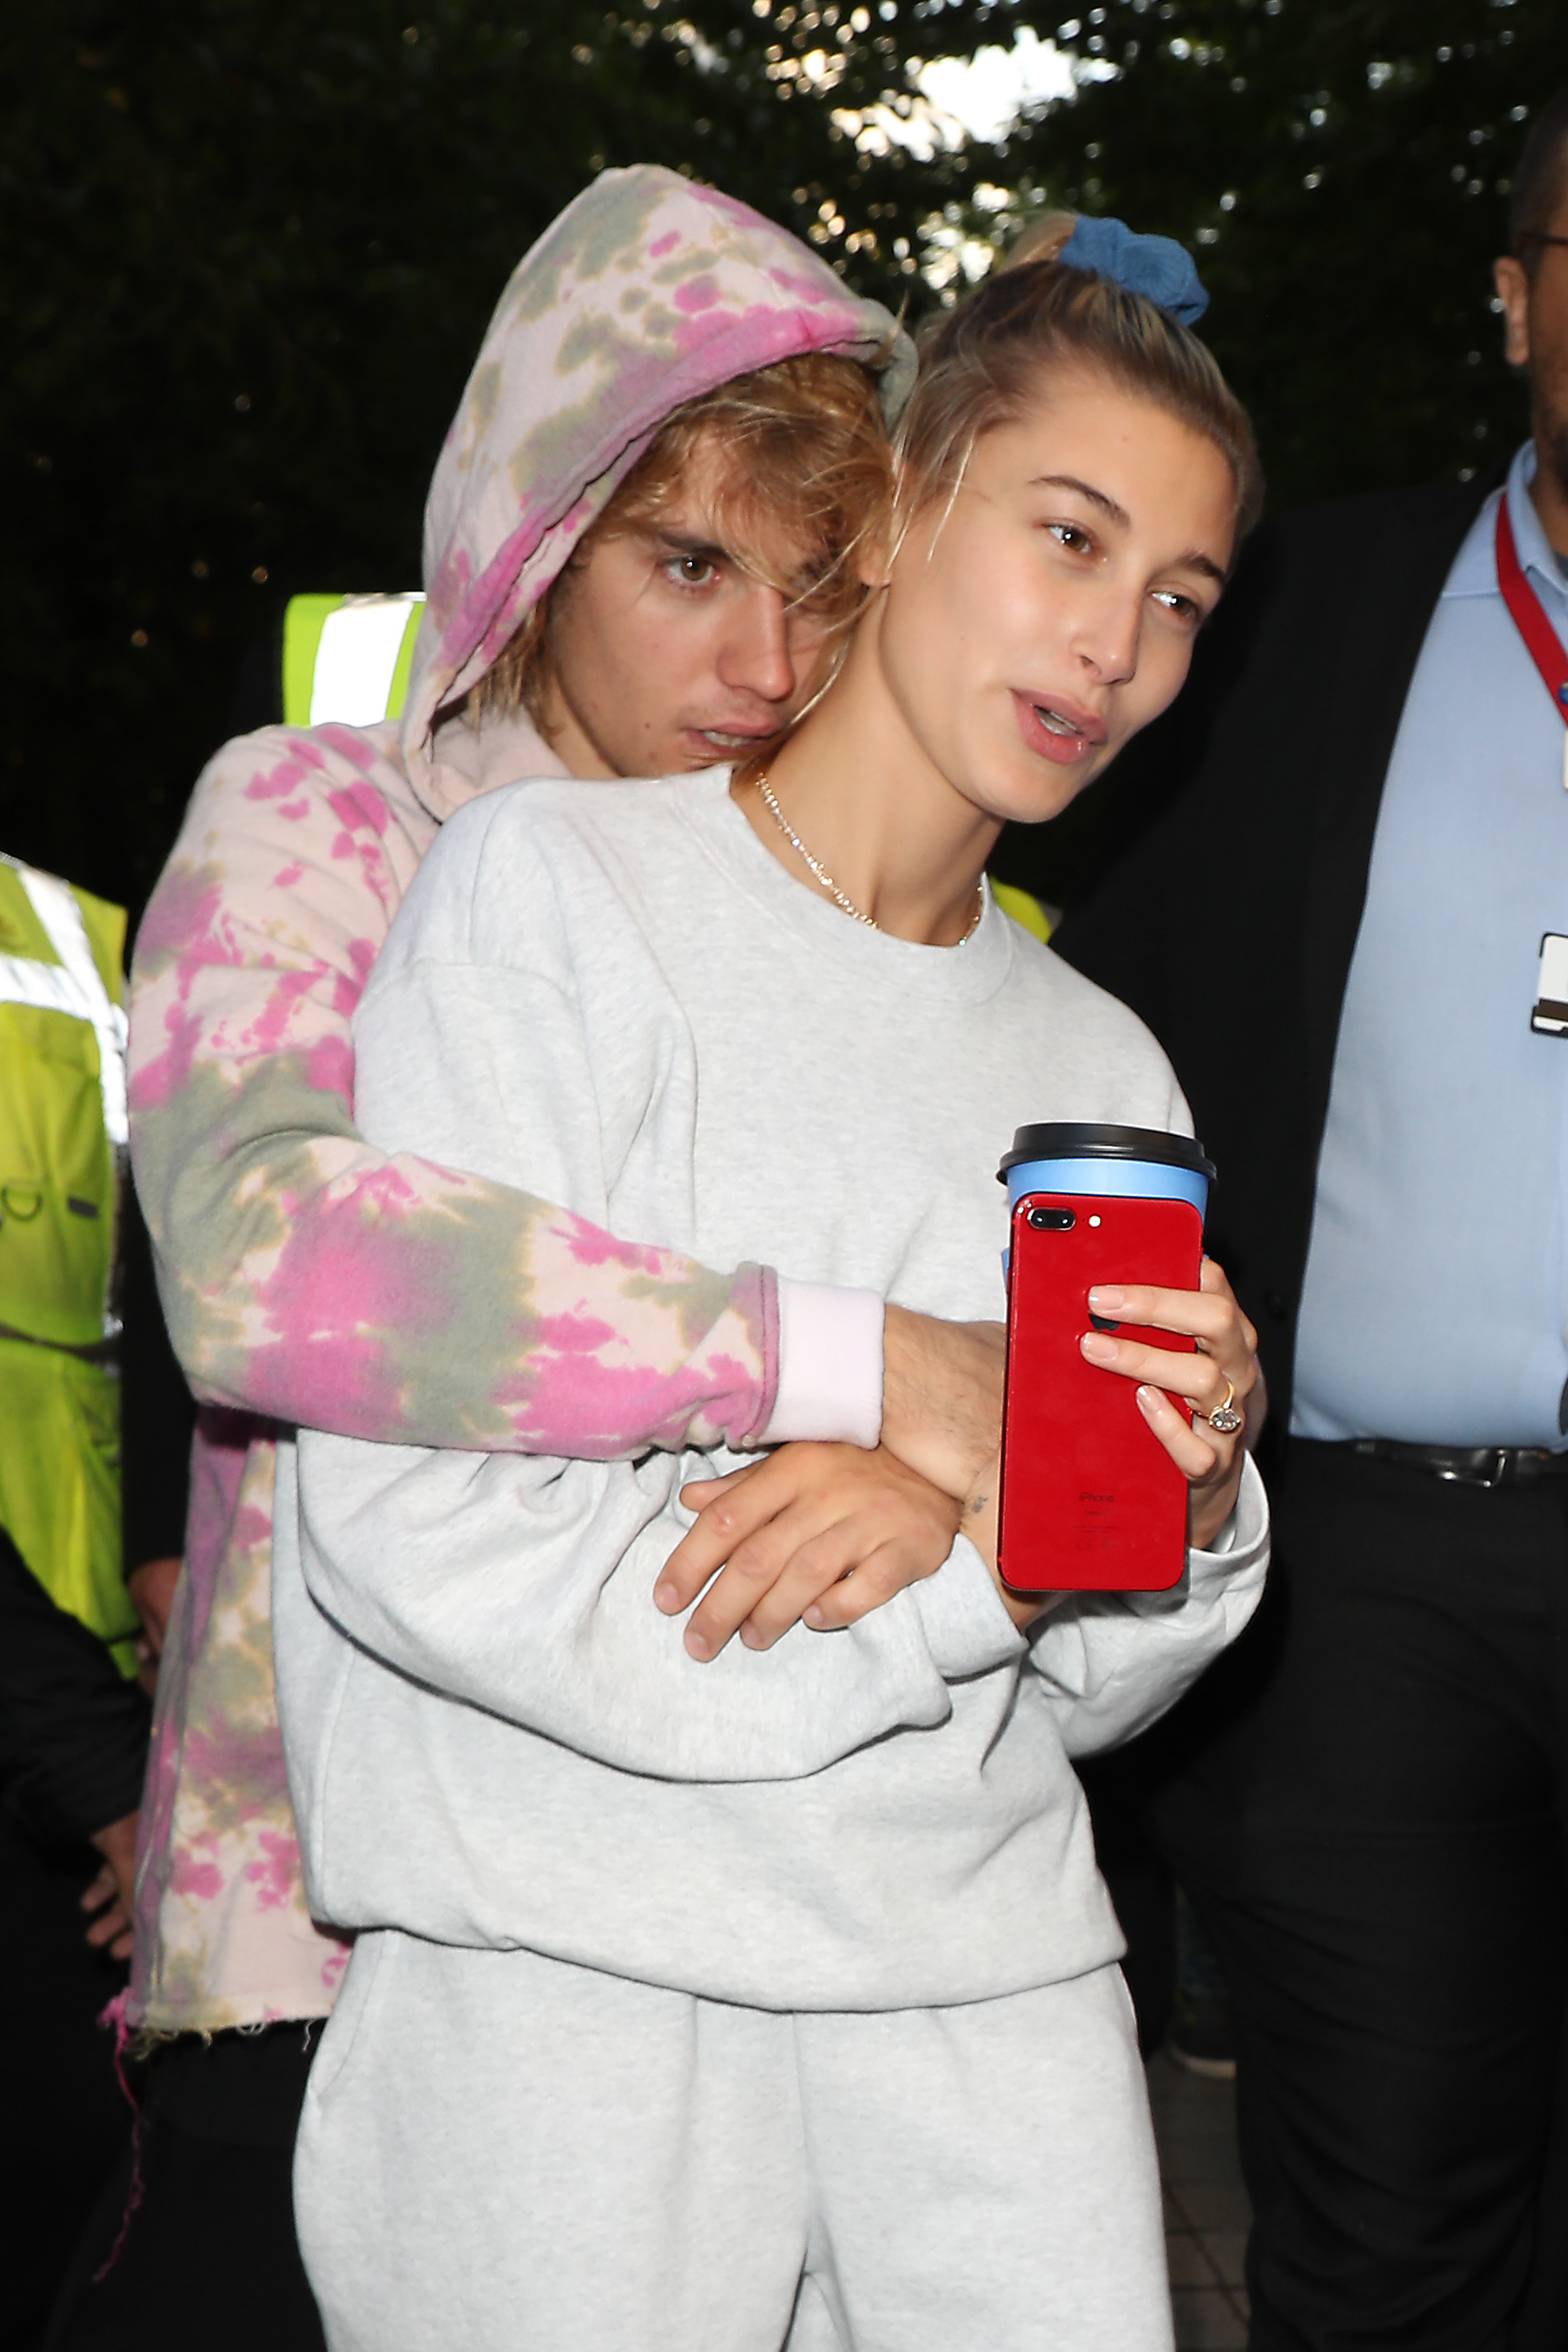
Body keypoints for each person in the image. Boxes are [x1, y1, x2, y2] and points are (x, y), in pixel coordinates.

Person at [275, 212, 1271, 2352]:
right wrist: (942, 1511)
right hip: (572, 2010)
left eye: (1180, 599)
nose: (1117, 648)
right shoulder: (555, 895)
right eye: (1074, 539)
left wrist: (1174, 1494)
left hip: (989, 2020)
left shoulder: (1105, 1064)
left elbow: (1088, 1673)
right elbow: (422, 1523)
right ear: (906, 498)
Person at [83, 166, 1001, 2347]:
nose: (763, 666)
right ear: (531, 534)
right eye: (689, 567)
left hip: (703, 1925)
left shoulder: (812, 921)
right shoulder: (319, 823)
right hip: (316, 1927)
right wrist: (858, 1359)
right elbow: (262, 1262)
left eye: (816, 592)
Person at [1052, 94, 1568, 2351]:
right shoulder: (1283, 620)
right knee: (1386, 2247)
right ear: (1518, 288)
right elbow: (1026, 944)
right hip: (1365, 1583)